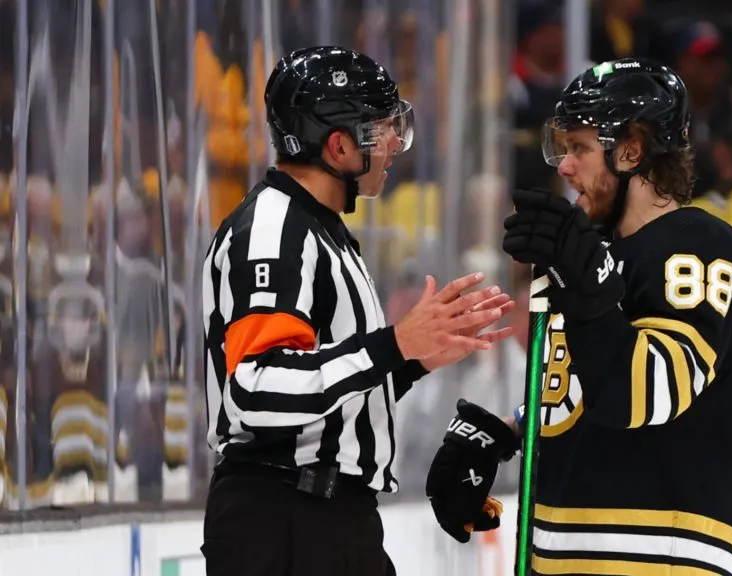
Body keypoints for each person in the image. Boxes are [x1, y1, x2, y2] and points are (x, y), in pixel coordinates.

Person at [424, 58, 732, 574]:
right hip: (568, 550)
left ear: (631, 150)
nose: (563, 166)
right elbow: (586, 383)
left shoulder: (700, 249)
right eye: (561, 149)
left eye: (579, 148)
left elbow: (644, 394)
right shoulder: (588, 252)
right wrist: (507, 432)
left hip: (663, 551)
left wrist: (584, 283)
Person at [200, 46, 515, 576]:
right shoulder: (275, 234)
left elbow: (327, 396)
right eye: (380, 130)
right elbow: (257, 389)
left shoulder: (326, 232)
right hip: (285, 523)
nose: (394, 144)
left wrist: (412, 360)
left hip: (323, 519)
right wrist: (393, 345)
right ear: (339, 145)